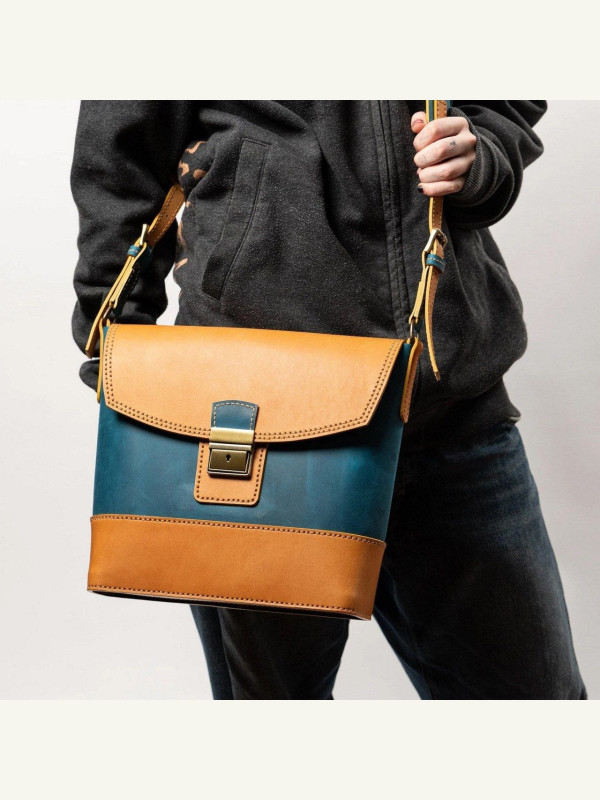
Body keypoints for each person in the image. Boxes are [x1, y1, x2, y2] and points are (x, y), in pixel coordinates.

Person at [71, 101, 586, 700]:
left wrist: (482, 151)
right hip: (254, 422)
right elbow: (119, 153)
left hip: (449, 407)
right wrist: (121, 356)